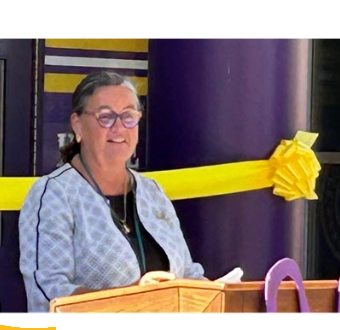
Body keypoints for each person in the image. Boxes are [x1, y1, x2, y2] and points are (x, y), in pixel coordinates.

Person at [19, 71, 205, 311]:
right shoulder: (53, 194)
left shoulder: (153, 192)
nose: (119, 127)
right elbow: (49, 292)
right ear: (77, 125)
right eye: (105, 117)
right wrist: (131, 298)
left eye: (128, 116)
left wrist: (219, 293)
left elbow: (188, 273)